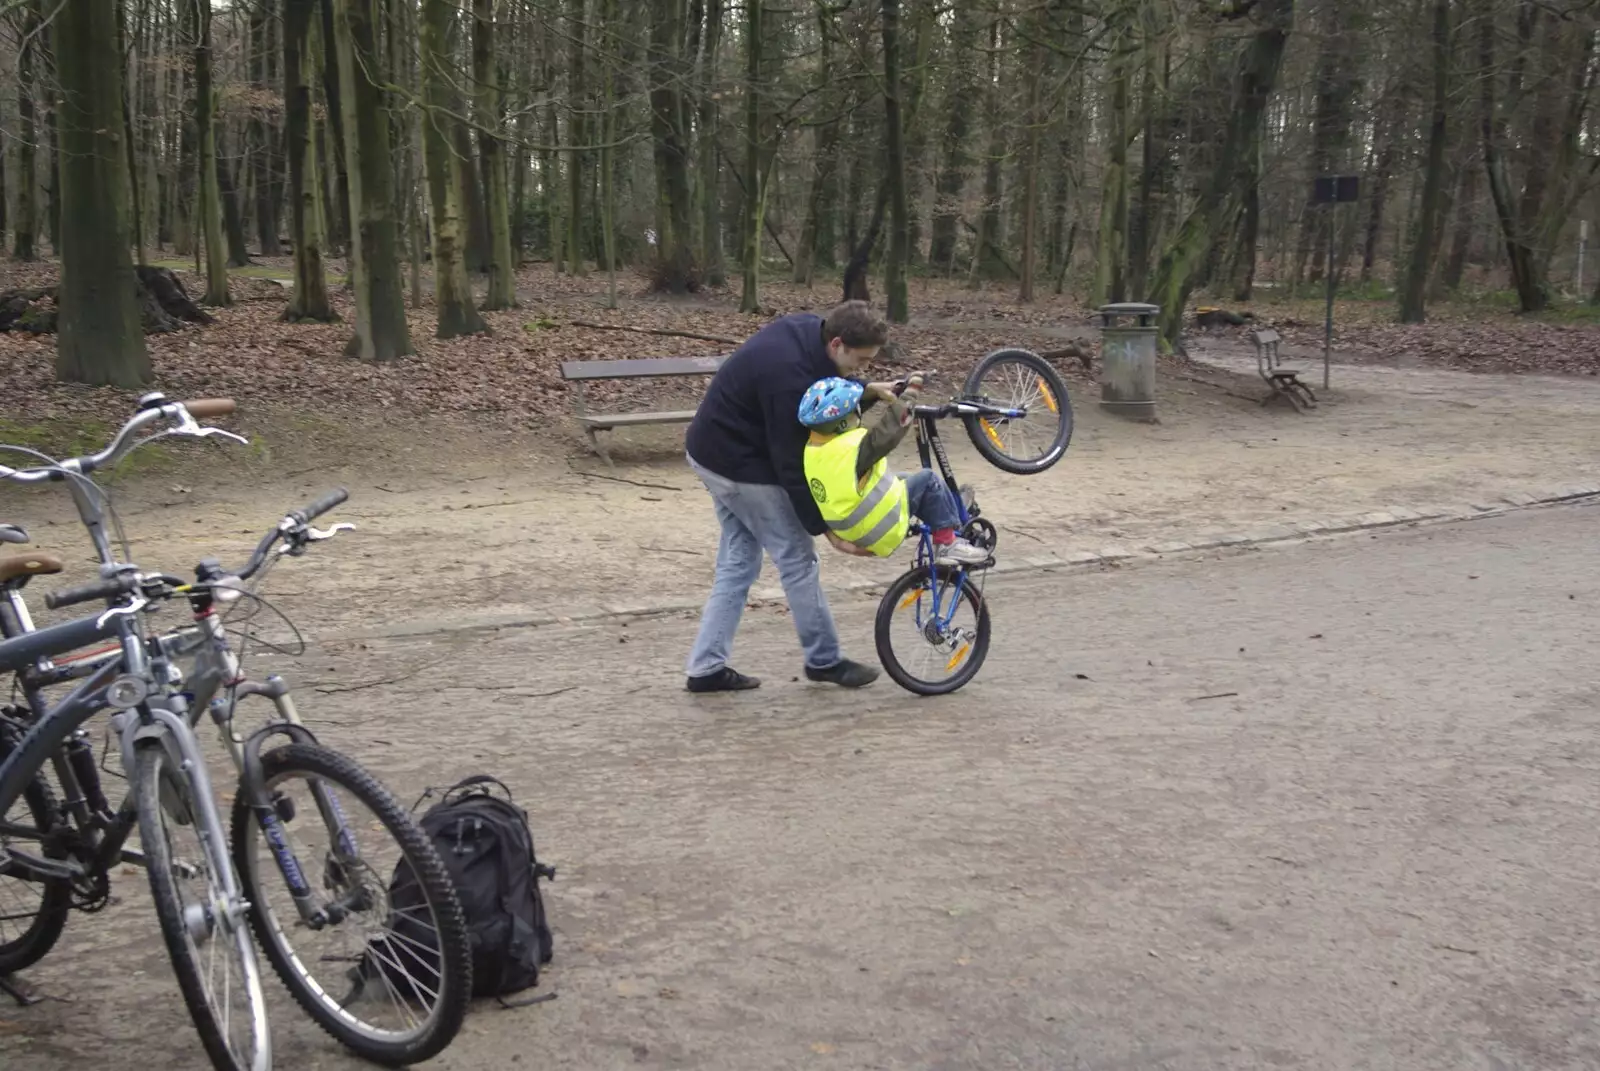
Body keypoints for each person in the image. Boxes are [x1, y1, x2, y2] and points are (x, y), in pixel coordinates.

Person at [682, 301, 896, 694]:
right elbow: (791, 466)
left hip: (713, 449)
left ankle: (706, 668)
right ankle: (824, 659)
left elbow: (823, 388)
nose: (861, 369)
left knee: (738, 562)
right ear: (837, 343)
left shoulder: (808, 330)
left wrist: (865, 391)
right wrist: (823, 527)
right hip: (735, 462)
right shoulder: (786, 377)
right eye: (860, 361)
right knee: (797, 557)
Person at [798, 375, 989, 565]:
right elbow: (890, 428)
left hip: (850, 531)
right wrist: (911, 392)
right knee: (928, 480)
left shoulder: (814, 451)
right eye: (855, 408)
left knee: (903, 479)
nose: (858, 411)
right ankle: (948, 544)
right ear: (844, 421)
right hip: (879, 528)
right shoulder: (853, 449)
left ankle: (950, 512)